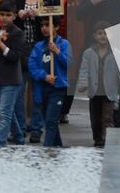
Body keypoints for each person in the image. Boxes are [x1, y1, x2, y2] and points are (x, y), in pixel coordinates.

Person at [0, 0, 28, 146]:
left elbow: (15, 57)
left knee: (4, 112)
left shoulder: (18, 33)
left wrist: (1, 45)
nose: (4, 18)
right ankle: (18, 137)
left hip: (12, 79)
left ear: (14, 16)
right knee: (8, 112)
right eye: (2, 14)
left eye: (8, 15)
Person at [76, 22, 120, 147]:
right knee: (95, 119)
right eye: (100, 33)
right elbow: (84, 70)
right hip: (94, 92)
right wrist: (83, 84)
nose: (103, 36)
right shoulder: (88, 53)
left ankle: (107, 139)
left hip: (110, 91)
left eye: (106, 33)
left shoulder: (116, 53)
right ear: (94, 36)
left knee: (108, 118)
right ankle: (97, 139)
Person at [27, 17, 69, 147]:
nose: (44, 28)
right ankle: (58, 148)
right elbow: (32, 65)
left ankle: (47, 151)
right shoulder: (39, 47)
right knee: (49, 122)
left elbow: (69, 63)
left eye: (47, 25)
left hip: (58, 88)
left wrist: (57, 52)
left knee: (51, 121)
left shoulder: (64, 44)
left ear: (56, 27)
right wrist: (44, 76)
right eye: (42, 25)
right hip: (42, 89)